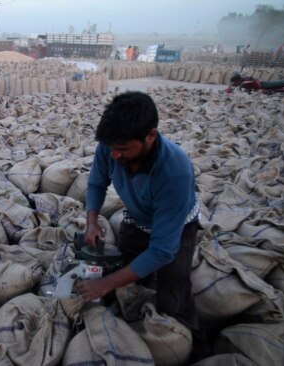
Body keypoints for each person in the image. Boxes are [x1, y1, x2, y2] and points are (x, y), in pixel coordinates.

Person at [76, 91, 204, 358]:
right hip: (137, 216)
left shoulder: (174, 171)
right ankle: (131, 326)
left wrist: (105, 284)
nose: (114, 156)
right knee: (131, 276)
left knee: (173, 290)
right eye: (111, 148)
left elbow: (162, 250)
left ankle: (189, 345)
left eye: (123, 149)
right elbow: (97, 183)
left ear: (151, 136)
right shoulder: (111, 148)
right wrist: (92, 221)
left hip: (176, 226)